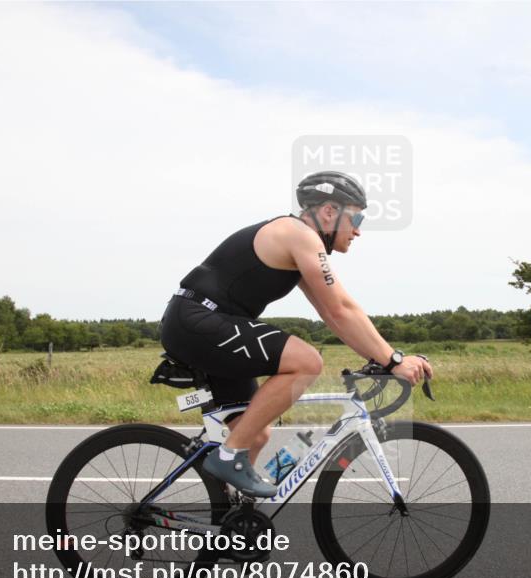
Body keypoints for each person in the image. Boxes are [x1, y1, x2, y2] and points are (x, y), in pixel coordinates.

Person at [159, 171, 433, 497]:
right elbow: (339, 310)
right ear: (329, 211)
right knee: (306, 361)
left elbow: (336, 312)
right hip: (197, 319)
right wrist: (393, 361)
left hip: (199, 323)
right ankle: (229, 457)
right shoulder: (299, 234)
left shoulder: (296, 242)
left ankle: (230, 521)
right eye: (356, 217)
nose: (358, 229)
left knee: (253, 434)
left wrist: (384, 356)